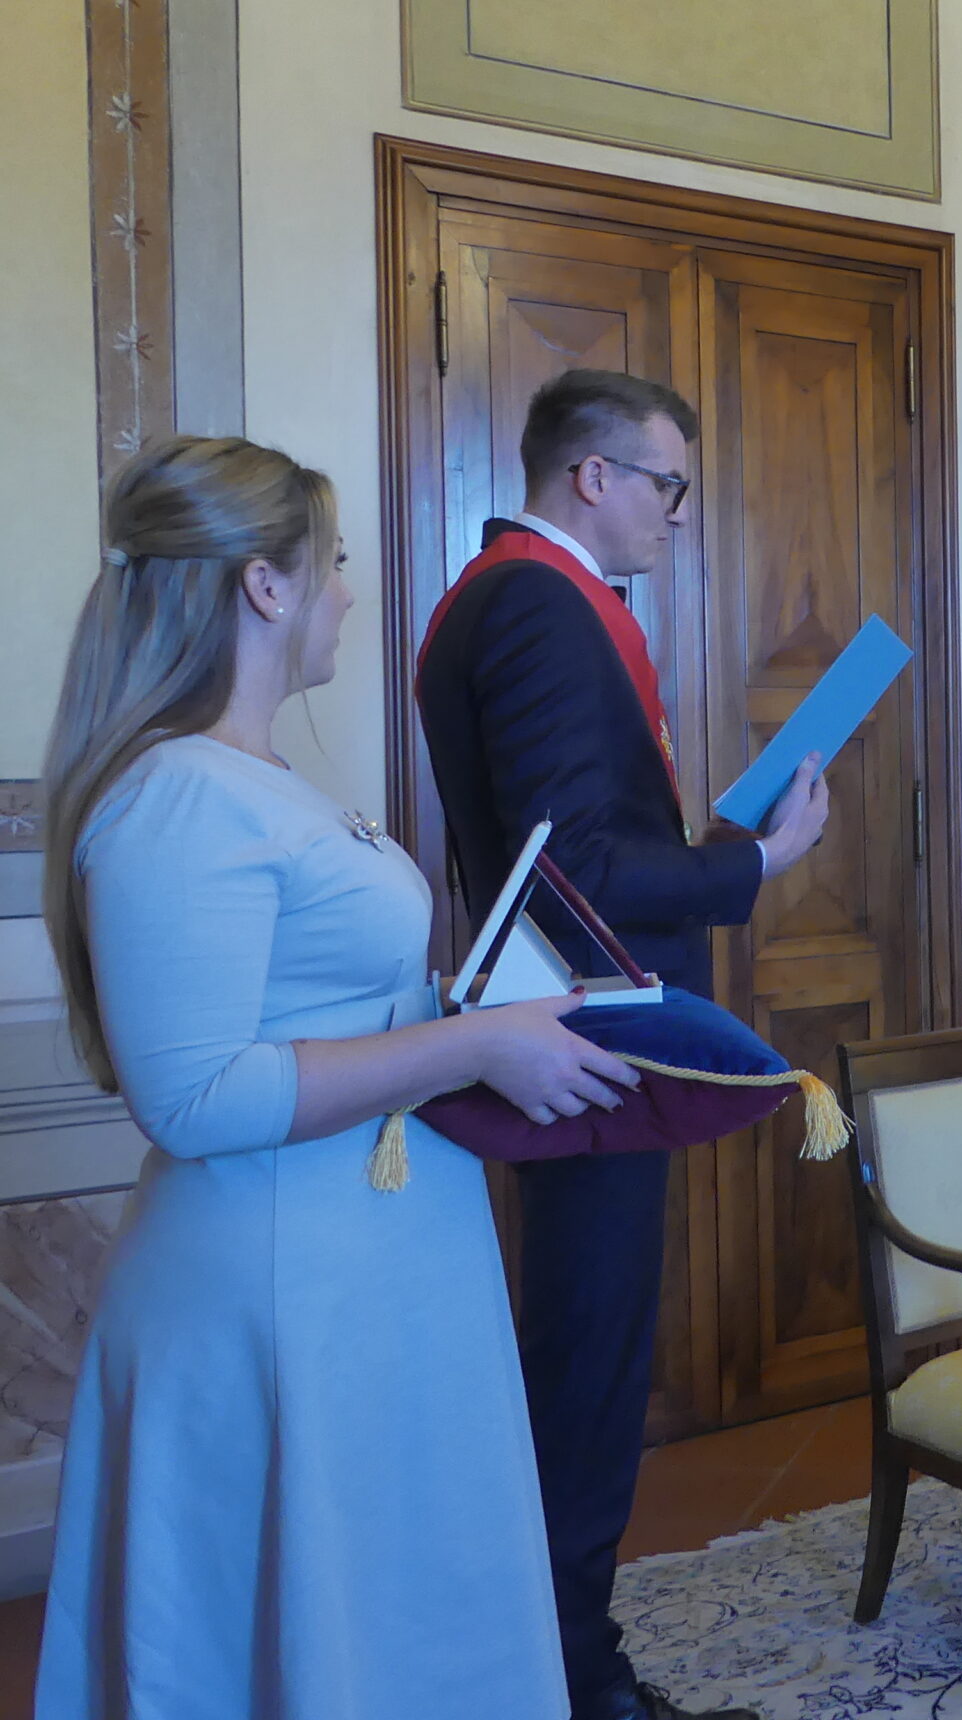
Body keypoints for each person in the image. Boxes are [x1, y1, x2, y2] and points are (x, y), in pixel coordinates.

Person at [36, 436, 641, 1718]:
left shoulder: (251, 776)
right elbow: (196, 1099)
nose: (350, 594)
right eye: (336, 564)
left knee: (381, 1620)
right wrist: (472, 1045)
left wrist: (468, 1006)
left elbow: (320, 1009)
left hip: (355, 1275)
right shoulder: (176, 797)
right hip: (276, 1288)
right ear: (265, 586)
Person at [416, 370, 828, 1720]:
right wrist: (754, 862)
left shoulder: (523, 594)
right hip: (583, 1040)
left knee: (583, 1367)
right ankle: (575, 1686)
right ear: (591, 476)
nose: (678, 513)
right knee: (585, 1380)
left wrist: (714, 845)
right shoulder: (535, 604)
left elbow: (572, 846)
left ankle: (558, 1666)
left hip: (573, 1026)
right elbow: (572, 872)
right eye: (667, 484)